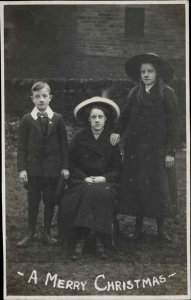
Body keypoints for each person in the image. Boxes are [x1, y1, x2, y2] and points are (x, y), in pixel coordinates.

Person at [110, 53, 179, 242]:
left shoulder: (167, 93)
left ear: (157, 74)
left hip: (158, 151)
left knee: (159, 188)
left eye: (150, 71)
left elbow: (174, 125)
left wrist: (170, 151)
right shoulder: (134, 93)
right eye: (143, 72)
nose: (146, 75)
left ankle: (161, 230)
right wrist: (117, 131)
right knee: (138, 186)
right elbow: (124, 116)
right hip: (136, 149)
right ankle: (138, 228)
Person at [58, 97, 122, 260]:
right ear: (89, 119)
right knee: (83, 193)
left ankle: (87, 239)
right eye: (93, 117)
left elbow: (118, 169)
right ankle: (89, 239)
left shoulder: (111, 139)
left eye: (100, 117)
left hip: (104, 182)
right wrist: (84, 178)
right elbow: (70, 164)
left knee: (100, 193)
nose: (97, 120)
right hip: (81, 180)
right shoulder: (80, 137)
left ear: (106, 119)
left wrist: (103, 178)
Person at [17, 81, 69, 248]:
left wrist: (65, 167)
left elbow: (64, 145)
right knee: (33, 200)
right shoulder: (27, 120)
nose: (41, 99)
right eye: (37, 96)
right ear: (32, 99)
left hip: (52, 170)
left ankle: (46, 232)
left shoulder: (58, 119)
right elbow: (21, 146)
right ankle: (30, 232)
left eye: (44, 96)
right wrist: (22, 168)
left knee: (50, 200)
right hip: (33, 170)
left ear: (50, 98)